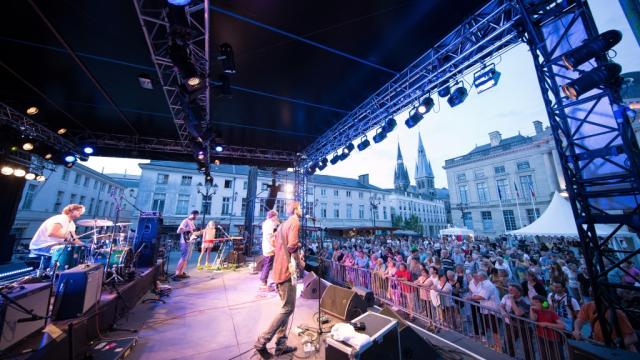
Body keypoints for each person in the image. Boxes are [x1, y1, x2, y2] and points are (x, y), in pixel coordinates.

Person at [255, 201, 304, 358]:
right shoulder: (295, 222)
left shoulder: (283, 224)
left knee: (286, 308)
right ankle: (262, 341)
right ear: (296, 209)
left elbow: (278, 244)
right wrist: (301, 263)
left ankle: (280, 346)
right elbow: (292, 247)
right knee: (287, 309)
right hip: (287, 271)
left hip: (278, 269)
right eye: (301, 207)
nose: (302, 210)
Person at [30, 204, 86, 272]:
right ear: (71, 210)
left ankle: (63, 273)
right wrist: (67, 237)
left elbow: (74, 239)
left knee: (75, 253)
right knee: (66, 256)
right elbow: (51, 233)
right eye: (78, 210)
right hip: (41, 246)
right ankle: (52, 274)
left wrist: (85, 245)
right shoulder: (61, 218)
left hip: (54, 246)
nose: (81, 213)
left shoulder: (71, 223)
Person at [573, 300, 638, 352]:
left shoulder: (617, 313)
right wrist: (576, 330)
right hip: (600, 347)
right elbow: (579, 320)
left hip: (619, 352)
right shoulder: (588, 306)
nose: (590, 290)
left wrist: (615, 344)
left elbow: (633, 338)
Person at [500, 284, 533, 360]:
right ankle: (510, 357)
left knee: (527, 346)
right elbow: (501, 306)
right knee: (508, 342)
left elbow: (518, 313)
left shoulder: (525, 301)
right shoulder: (506, 296)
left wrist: (512, 300)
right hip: (511, 324)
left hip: (524, 327)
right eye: (509, 289)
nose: (509, 291)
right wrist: (503, 312)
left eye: (511, 290)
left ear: (518, 292)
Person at [530, 295, 565, 360]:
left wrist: (547, 324)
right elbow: (533, 319)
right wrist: (531, 309)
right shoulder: (536, 311)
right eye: (533, 302)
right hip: (541, 336)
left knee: (557, 356)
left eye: (537, 302)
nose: (534, 304)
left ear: (543, 303)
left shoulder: (551, 312)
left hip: (553, 339)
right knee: (544, 355)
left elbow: (562, 326)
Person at [174, 210, 199, 279]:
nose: (196, 217)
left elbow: (193, 232)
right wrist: (187, 229)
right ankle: (177, 273)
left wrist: (198, 233)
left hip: (189, 242)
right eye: (195, 215)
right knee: (183, 257)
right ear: (191, 214)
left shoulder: (192, 222)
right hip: (184, 242)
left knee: (186, 258)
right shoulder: (185, 221)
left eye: (196, 216)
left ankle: (181, 273)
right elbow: (178, 231)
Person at [259, 210, 279, 290]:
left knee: (266, 264)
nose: (276, 218)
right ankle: (263, 282)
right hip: (269, 248)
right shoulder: (270, 223)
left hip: (267, 247)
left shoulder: (266, 223)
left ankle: (263, 280)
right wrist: (275, 245)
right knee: (267, 265)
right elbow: (270, 236)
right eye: (276, 216)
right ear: (273, 216)